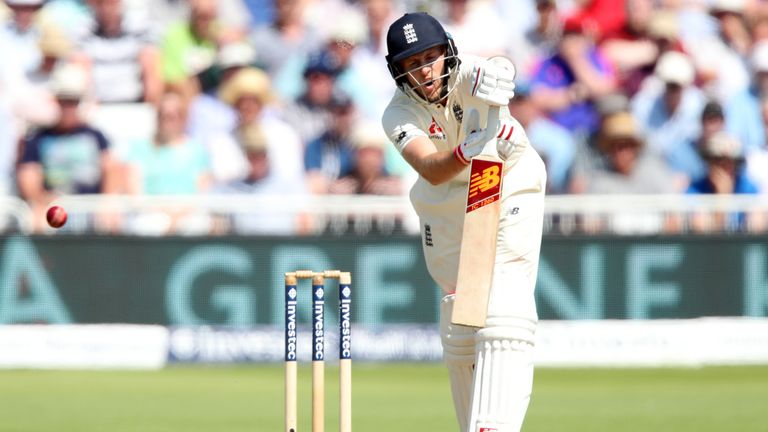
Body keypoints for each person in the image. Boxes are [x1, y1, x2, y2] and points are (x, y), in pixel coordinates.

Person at [381, 12, 546, 432]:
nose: (424, 70)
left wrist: (502, 73)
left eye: (430, 57)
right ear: (398, 70)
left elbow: (501, 71)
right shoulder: (398, 113)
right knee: (462, 316)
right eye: (411, 64)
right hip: (445, 199)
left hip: (504, 177)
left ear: (447, 51)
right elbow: (431, 169)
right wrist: (463, 153)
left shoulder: (472, 72)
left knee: (504, 304)